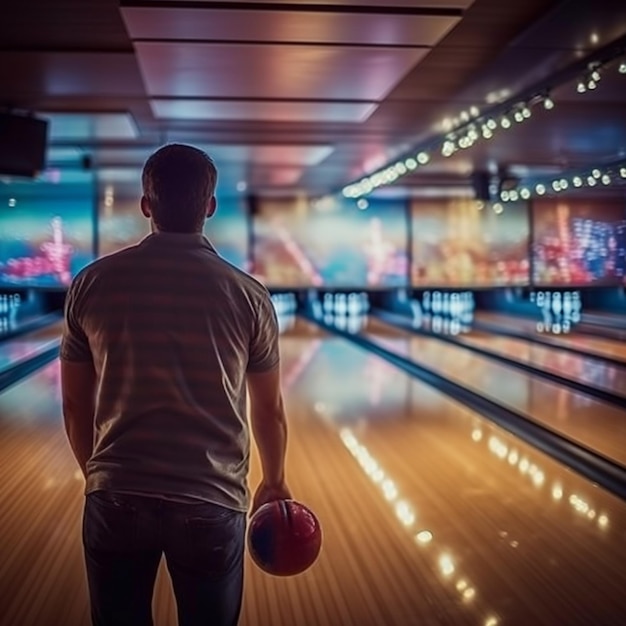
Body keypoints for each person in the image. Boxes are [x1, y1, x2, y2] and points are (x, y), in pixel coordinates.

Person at [60, 143, 292, 626]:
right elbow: (268, 410)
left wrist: (99, 478)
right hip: (211, 499)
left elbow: (74, 405)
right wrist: (274, 481)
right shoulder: (250, 295)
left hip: (115, 494)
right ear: (210, 206)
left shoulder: (91, 283)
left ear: (146, 205)